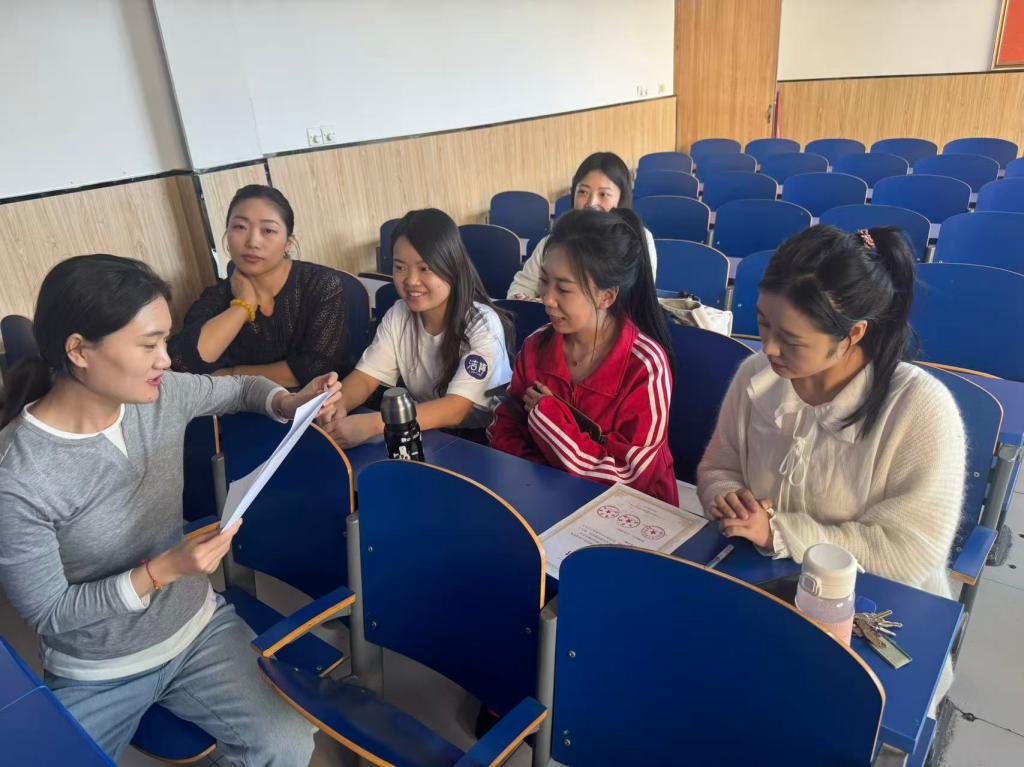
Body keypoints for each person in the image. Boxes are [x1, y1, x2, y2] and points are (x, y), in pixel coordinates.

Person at [0, 254, 342, 765]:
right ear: (79, 351)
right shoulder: (18, 474)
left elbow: (241, 388)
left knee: (287, 742)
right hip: (98, 668)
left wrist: (287, 403)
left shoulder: (160, 396)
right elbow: (51, 612)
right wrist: (160, 572)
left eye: (165, 341)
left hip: (197, 630)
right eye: (149, 345)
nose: (165, 360)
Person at [697, 226, 966, 600]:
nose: (769, 348)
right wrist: (729, 500)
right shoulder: (756, 376)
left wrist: (779, 533)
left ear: (853, 335)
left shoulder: (918, 408)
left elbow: (909, 551)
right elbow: (718, 468)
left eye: (791, 340)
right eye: (763, 323)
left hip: (875, 602)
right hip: (760, 579)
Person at [489, 207, 677, 504]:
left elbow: (630, 477)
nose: (547, 299)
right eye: (544, 281)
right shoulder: (536, 346)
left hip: (628, 510)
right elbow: (506, 427)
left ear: (607, 296)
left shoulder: (646, 366)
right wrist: (540, 478)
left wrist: (547, 419)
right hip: (544, 497)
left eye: (563, 289)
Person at [321, 208, 513, 447]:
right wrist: (337, 406)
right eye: (400, 267)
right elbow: (365, 377)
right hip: (427, 428)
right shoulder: (399, 314)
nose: (411, 281)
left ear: (452, 267)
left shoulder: (482, 323)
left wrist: (375, 424)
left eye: (424, 268)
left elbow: (456, 409)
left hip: (484, 439)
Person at [169, 184, 347, 388]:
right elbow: (184, 364)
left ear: (288, 243)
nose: (253, 242)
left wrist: (232, 375)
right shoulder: (217, 297)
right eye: (240, 227)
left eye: (268, 230)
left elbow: (317, 367)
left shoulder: (320, 284)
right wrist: (243, 306)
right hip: (241, 406)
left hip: (315, 401)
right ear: (227, 235)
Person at [506, 152, 659, 299]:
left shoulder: (637, 240)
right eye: (583, 192)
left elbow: (641, 298)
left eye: (603, 194)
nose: (591, 203)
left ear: (621, 198)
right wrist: (519, 298)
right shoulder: (556, 240)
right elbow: (522, 285)